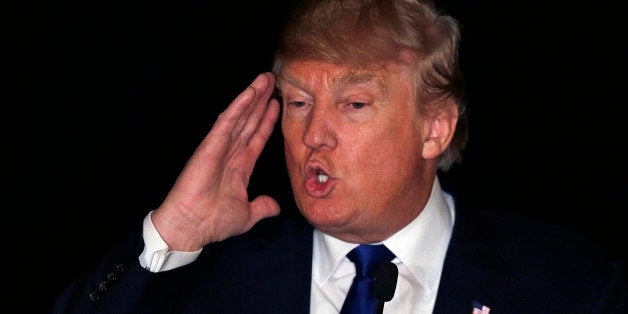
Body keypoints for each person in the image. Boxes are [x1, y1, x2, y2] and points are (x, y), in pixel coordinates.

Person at [51, 0, 626, 313]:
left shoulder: (565, 284)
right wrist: (175, 232)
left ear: (435, 129)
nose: (314, 135)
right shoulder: (210, 277)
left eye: (353, 103)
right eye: (299, 101)